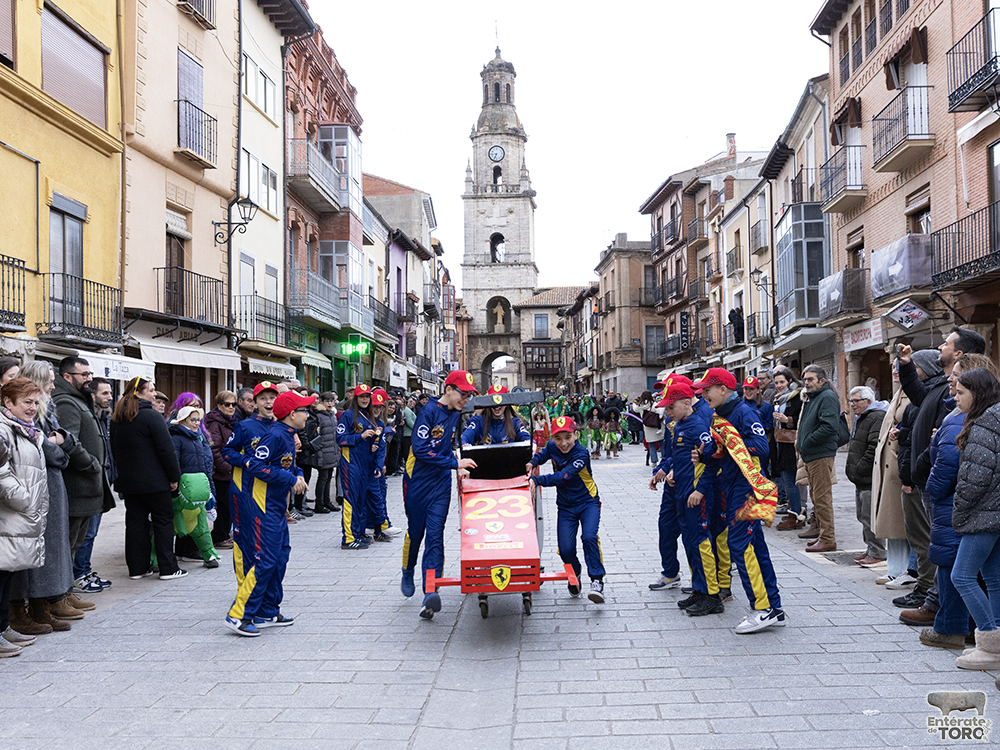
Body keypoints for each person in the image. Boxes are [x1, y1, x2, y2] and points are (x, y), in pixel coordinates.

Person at [895, 330, 986, 626]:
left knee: (951, 556)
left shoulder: (964, 411)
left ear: (959, 355)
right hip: (932, 480)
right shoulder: (940, 387)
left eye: (946, 343)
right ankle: (943, 608)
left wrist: (928, 475)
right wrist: (906, 366)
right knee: (946, 552)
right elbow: (919, 397)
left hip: (945, 488)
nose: (939, 346)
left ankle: (948, 616)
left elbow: (948, 450)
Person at [693, 367, 784, 634]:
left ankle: (763, 608)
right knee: (756, 546)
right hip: (732, 488)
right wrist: (707, 455)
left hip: (749, 488)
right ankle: (774, 607)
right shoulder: (718, 416)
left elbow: (762, 447)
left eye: (707, 390)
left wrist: (729, 443)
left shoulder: (744, 413)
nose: (704, 395)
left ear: (723, 389)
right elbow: (717, 456)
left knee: (739, 544)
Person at [12, 361, 94, 630]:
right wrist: (60, 449)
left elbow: (62, 442)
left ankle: (50, 599)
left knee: (54, 544)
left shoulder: (47, 409)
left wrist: (61, 446)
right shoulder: (33, 414)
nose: (52, 385)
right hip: (39, 483)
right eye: (48, 379)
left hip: (51, 483)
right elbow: (49, 449)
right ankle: (37, 605)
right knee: (42, 545)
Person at [225, 390, 311, 637]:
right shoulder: (274, 435)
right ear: (292, 414)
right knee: (265, 559)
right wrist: (289, 478)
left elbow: (288, 464)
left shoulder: (287, 434)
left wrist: (298, 474)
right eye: (304, 410)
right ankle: (239, 615)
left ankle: (267, 611)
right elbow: (256, 465)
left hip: (276, 506)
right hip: (262, 505)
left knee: (280, 556)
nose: (307, 415)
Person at [400, 371, 478, 619]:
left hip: (441, 483)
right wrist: (455, 463)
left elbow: (447, 446)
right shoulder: (428, 412)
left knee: (435, 535)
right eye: (463, 394)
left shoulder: (456, 414)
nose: (466, 400)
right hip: (417, 481)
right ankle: (407, 570)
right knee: (416, 533)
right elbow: (420, 450)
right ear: (448, 389)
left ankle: (430, 592)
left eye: (469, 396)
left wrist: (457, 463)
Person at [651, 382, 721, 616]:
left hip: (695, 495)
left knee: (701, 543)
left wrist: (700, 490)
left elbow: (711, 461)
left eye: (671, 407)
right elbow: (679, 459)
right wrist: (671, 474)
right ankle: (699, 590)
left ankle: (712, 595)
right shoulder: (679, 426)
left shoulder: (698, 426)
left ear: (686, 403)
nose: (668, 412)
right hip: (681, 493)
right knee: (691, 544)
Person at [947, 367, 1000, 668]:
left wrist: (961, 508)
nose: (956, 398)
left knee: (962, 576)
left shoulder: (983, 426)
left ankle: (990, 643)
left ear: (977, 394)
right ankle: (996, 645)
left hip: (983, 514)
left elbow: (975, 479)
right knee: (993, 578)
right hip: (994, 513)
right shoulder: (993, 420)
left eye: (961, 393)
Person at [919, 365, 973, 650]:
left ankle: (951, 627)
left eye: (957, 374)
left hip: (951, 505)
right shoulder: (958, 413)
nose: (950, 378)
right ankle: (974, 627)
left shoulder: (958, 419)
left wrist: (933, 488)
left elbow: (947, 466)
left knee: (952, 566)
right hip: (959, 505)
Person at [110, 376, 185, 581]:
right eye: (151, 390)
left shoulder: (117, 418)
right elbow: (166, 450)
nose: (154, 394)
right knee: (163, 522)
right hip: (155, 482)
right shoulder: (152, 416)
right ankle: (168, 568)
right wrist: (174, 477)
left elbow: (114, 450)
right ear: (138, 393)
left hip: (130, 482)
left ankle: (137, 568)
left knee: (135, 523)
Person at [527, 416, 606, 604]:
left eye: (568, 437)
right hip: (565, 506)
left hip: (588, 502)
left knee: (589, 537)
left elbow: (563, 476)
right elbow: (543, 454)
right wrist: (533, 462)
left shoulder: (581, 454)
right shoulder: (552, 447)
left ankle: (597, 580)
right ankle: (574, 573)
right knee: (565, 549)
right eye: (558, 438)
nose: (563, 443)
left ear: (576, 435)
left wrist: (537, 480)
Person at [52, 357, 111, 586]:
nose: (89, 379)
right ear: (67, 376)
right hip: (77, 487)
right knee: (68, 545)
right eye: (84, 374)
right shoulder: (66, 402)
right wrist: (91, 464)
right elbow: (69, 442)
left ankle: (66, 591)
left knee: (76, 544)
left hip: (87, 487)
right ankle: (61, 594)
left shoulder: (78, 399)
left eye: (89, 374)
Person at [0, 378, 48, 656]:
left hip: (18, 517)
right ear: (8, 402)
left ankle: (3, 627)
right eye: (27, 402)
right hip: (9, 514)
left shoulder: (24, 429)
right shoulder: (4, 429)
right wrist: (24, 499)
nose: (33, 407)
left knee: (7, 574)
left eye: (35, 402)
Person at [223, 381, 279, 570]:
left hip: (271, 494)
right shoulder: (244, 426)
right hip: (246, 491)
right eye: (263, 398)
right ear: (254, 403)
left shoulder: (280, 427)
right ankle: (245, 583)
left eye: (272, 398)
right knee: (246, 540)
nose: (268, 402)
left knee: (268, 542)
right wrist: (245, 461)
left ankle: (263, 581)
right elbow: (227, 452)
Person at [871, 362, 913, 586]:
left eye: (900, 366)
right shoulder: (899, 392)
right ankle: (895, 568)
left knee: (901, 522)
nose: (895, 370)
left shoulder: (913, 392)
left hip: (898, 465)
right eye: (893, 366)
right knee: (891, 521)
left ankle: (906, 570)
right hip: (888, 465)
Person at [72, 376, 116, 593]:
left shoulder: (103, 417)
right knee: (86, 533)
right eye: (105, 393)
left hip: (101, 480)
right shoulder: (86, 414)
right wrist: (94, 466)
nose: (110, 397)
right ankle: (79, 574)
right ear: (93, 395)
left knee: (91, 532)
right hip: (88, 480)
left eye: (110, 393)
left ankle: (85, 569)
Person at [796, 365, 841, 552]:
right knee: (816, 496)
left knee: (822, 498)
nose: (806, 383)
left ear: (822, 381)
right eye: (805, 379)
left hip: (820, 454)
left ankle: (828, 538)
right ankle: (823, 535)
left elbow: (829, 427)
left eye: (810, 379)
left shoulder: (827, 397)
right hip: (812, 455)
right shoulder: (813, 397)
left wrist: (807, 442)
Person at [169, 406, 220, 568]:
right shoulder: (176, 439)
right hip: (183, 490)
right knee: (173, 525)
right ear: (183, 421)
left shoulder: (198, 438)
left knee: (200, 523)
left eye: (198, 420)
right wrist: (175, 482)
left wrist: (208, 488)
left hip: (199, 489)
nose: (197, 423)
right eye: (193, 420)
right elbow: (174, 462)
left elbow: (204, 465)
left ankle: (209, 554)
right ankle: (159, 557)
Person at [845, 385, 889, 566]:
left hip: (868, 478)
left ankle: (878, 552)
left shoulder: (876, 416)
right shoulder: (863, 417)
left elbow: (873, 447)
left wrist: (861, 468)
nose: (853, 404)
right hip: (860, 479)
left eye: (856, 401)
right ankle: (870, 549)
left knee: (870, 517)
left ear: (869, 401)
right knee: (863, 516)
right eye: (851, 401)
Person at [338, 384, 378, 549]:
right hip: (350, 464)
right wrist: (360, 436)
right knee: (351, 500)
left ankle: (359, 532)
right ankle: (348, 538)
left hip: (364, 464)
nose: (364, 399)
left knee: (361, 500)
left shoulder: (368, 416)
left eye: (367, 396)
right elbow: (340, 439)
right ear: (355, 398)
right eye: (361, 396)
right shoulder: (348, 415)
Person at [771, 369, 805, 530]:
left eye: (782, 382)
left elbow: (803, 419)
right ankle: (795, 513)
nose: (779, 385)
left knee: (792, 481)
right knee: (787, 480)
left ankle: (796, 515)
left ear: (790, 381)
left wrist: (787, 419)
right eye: (777, 383)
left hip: (793, 443)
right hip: (780, 441)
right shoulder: (778, 398)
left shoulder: (798, 397)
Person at [204, 391, 238, 548]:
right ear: (218, 405)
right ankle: (219, 537)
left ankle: (223, 534)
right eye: (227, 404)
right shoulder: (215, 423)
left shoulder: (229, 421)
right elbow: (214, 449)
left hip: (230, 470)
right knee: (224, 506)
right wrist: (227, 468)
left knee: (229, 505)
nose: (231, 407)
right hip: (222, 473)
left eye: (233, 404)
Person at [461, 386, 531, 446]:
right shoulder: (478, 421)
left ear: (507, 404)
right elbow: (466, 436)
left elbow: (526, 437)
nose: (497, 406)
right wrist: (464, 443)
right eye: (493, 401)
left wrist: (530, 442)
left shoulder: (515, 423)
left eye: (501, 402)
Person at [309, 392, 340, 513]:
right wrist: (319, 453)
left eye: (332, 401)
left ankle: (327, 502)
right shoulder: (319, 415)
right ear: (322, 402)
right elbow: (317, 436)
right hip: (323, 452)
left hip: (332, 451)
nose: (330, 403)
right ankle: (319, 504)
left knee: (328, 478)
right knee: (322, 478)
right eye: (327, 401)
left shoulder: (332, 415)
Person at [742, 377, 774, 477]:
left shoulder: (766, 407)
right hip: (743, 445)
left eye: (751, 389)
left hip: (759, 445)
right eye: (746, 389)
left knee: (760, 474)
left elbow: (771, 425)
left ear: (758, 390)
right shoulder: (739, 405)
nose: (748, 392)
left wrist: (757, 428)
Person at [633, 391, 665, 465]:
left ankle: (654, 461)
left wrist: (634, 403)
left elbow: (635, 409)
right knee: (662, 444)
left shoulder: (641, 405)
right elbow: (660, 411)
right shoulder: (654, 404)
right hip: (657, 426)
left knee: (651, 445)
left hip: (648, 427)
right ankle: (664, 459)